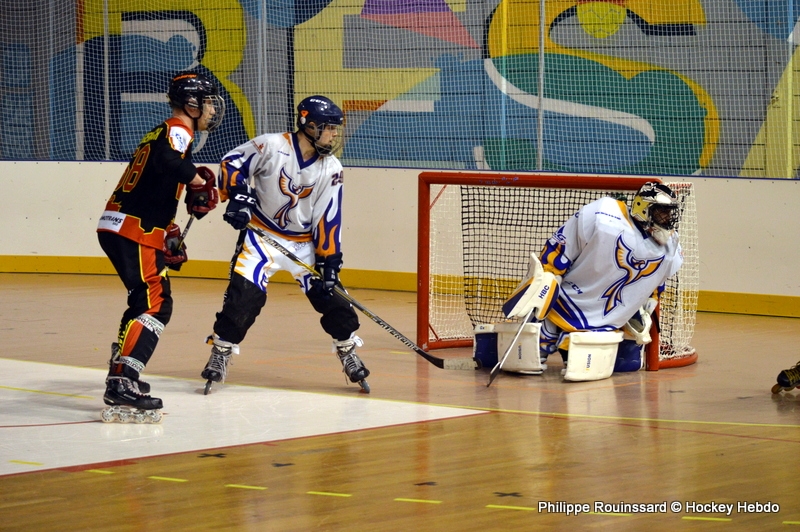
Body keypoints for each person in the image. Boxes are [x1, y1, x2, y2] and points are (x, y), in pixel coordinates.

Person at [200, 95, 370, 393]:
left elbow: (328, 216)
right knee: (243, 300)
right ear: (310, 126)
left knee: (335, 301)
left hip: (304, 245)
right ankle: (221, 351)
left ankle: (347, 350)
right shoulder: (271, 146)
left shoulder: (331, 167)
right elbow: (232, 162)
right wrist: (238, 196)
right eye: (329, 128)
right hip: (261, 238)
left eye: (335, 129)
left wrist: (330, 261)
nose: (333, 135)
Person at [96, 71, 225, 420]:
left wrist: (169, 232)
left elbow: (155, 183)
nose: (213, 109)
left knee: (144, 301)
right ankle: (122, 379)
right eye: (209, 102)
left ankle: (122, 369)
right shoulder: (178, 131)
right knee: (156, 303)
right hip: (132, 230)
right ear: (192, 104)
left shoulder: (161, 132)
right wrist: (198, 182)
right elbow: (169, 162)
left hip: (124, 226)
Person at [502, 182, 683, 377]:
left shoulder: (671, 248)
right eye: (661, 212)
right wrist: (548, 273)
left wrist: (645, 305)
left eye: (669, 213)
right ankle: (538, 341)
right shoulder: (604, 215)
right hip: (567, 300)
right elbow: (563, 246)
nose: (667, 219)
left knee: (593, 367)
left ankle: (569, 346)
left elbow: (657, 282)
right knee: (527, 357)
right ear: (644, 208)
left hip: (606, 319)